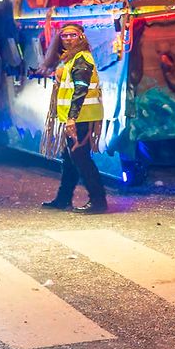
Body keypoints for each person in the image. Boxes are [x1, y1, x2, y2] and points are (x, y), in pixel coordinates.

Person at [39, 23, 108, 213]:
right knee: (69, 159)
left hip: (82, 116)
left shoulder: (82, 58)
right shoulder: (71, 58)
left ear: (81, 37)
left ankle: (98, 201)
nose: (68, 39)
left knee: (80, 157)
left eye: (73, 35)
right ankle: (63, 199)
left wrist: (72, 119)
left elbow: (80, 90)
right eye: (65, 36)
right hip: (76, 116)